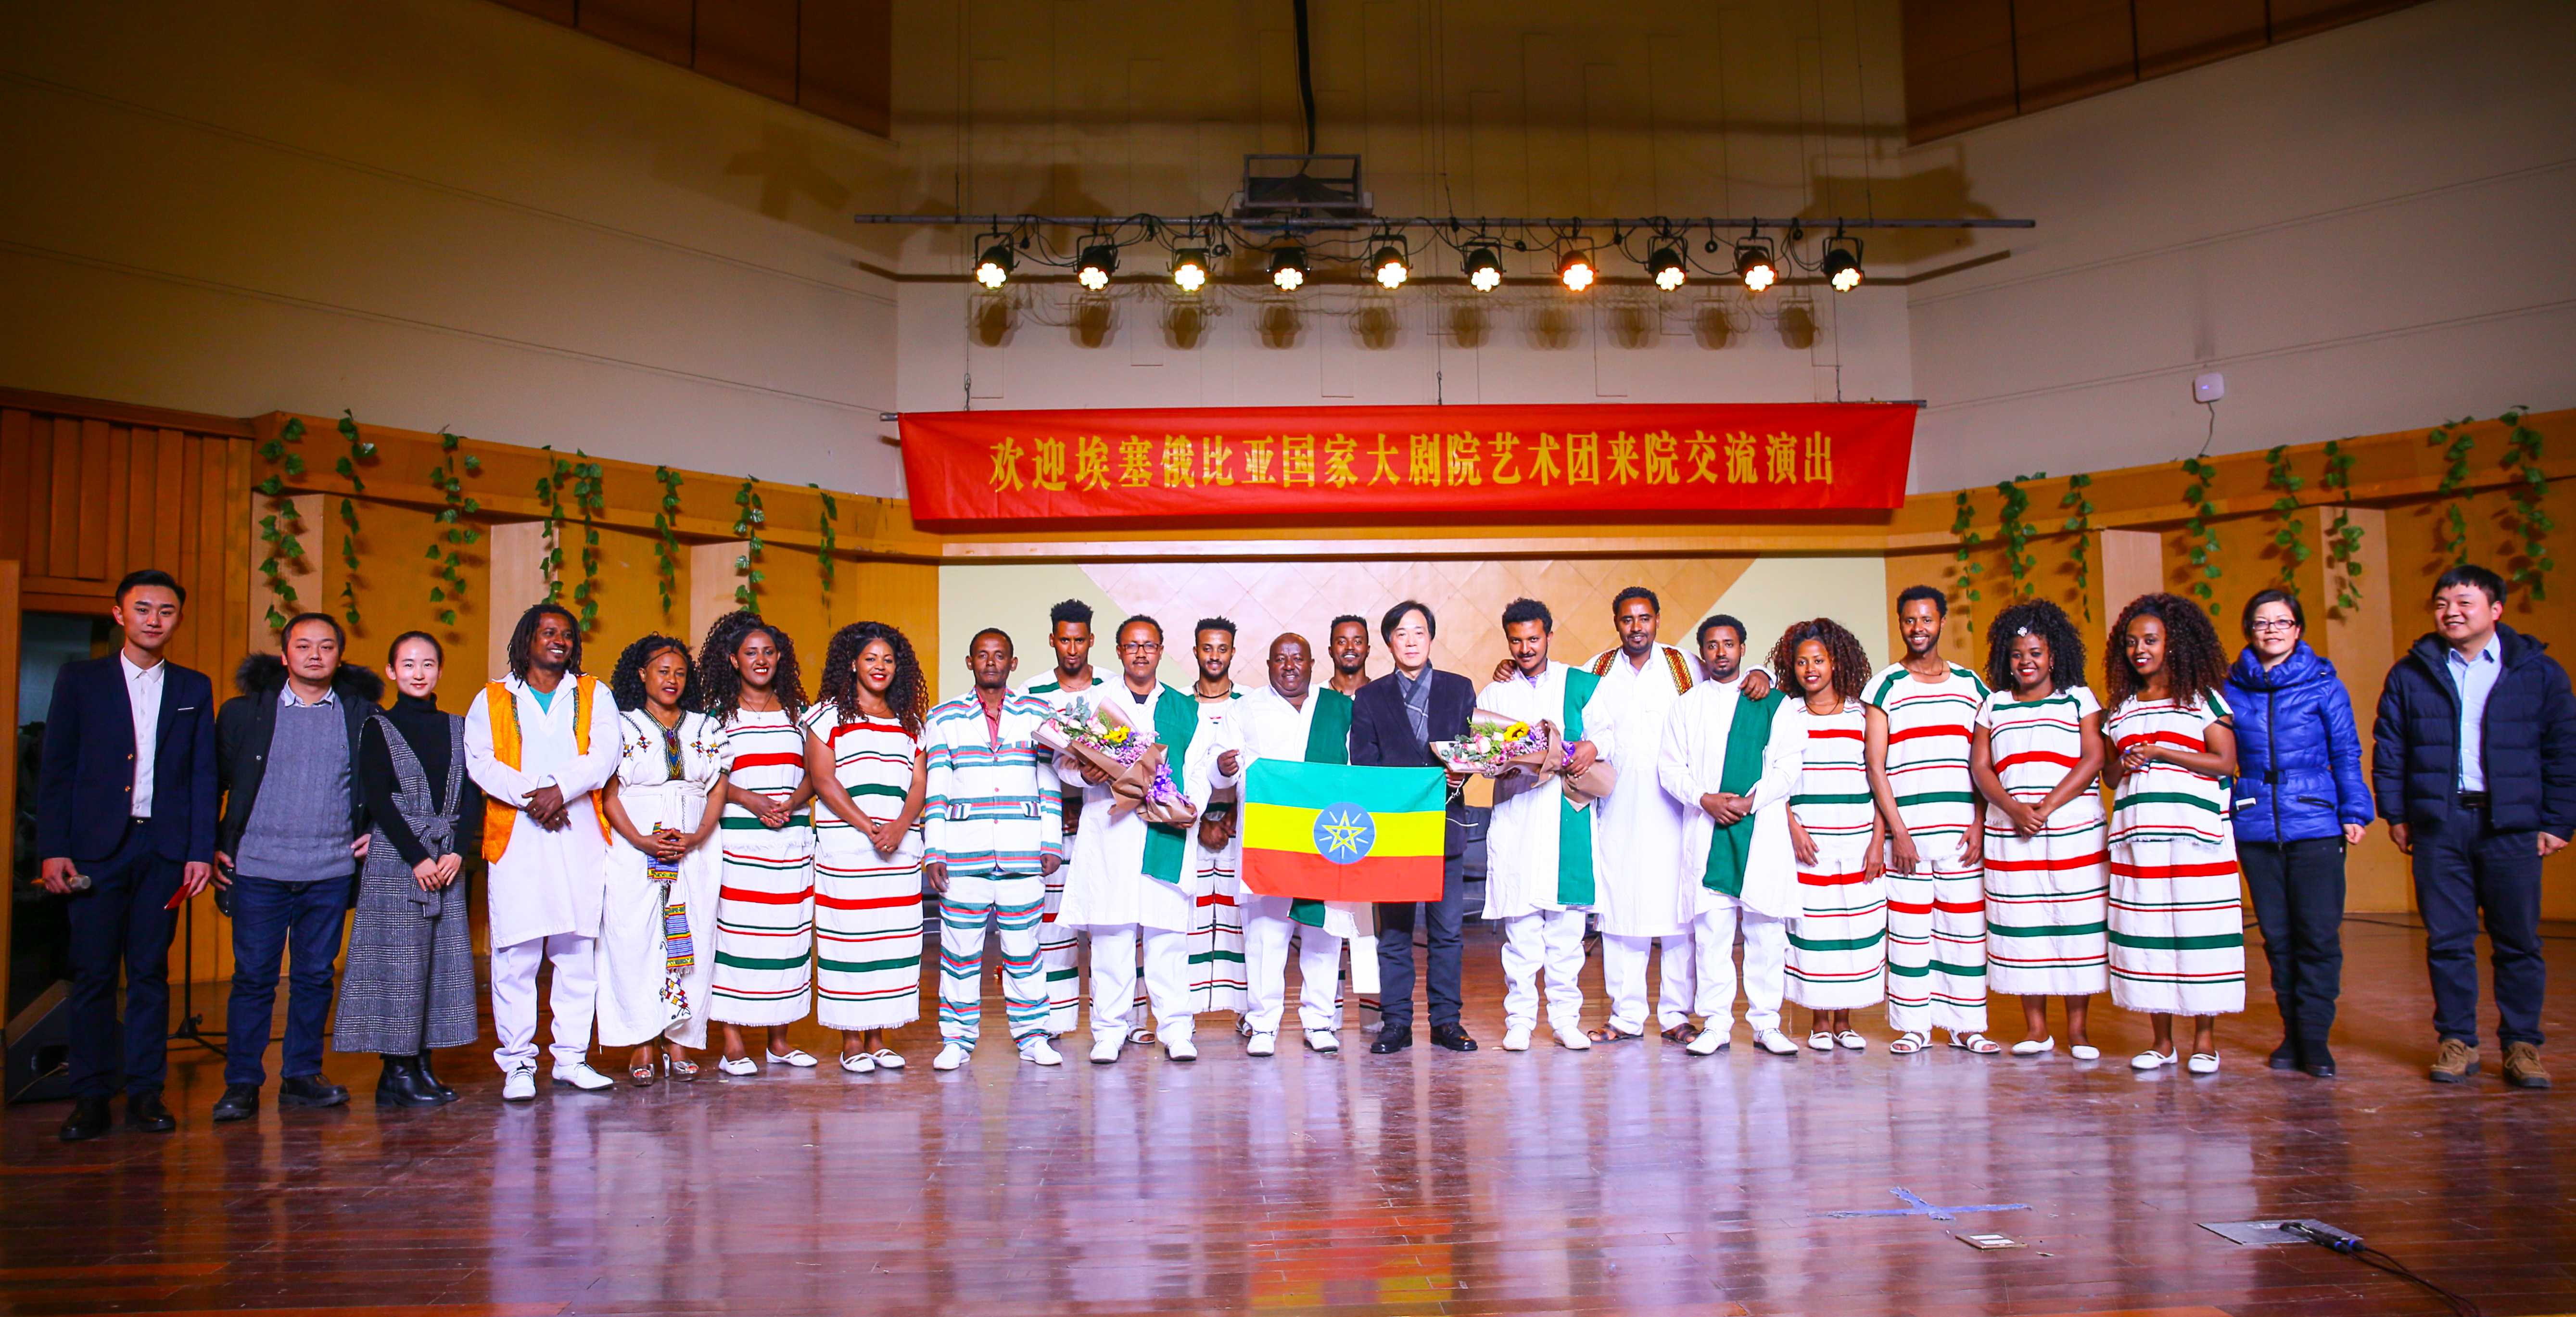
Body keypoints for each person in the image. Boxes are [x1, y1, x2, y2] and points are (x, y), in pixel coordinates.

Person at [2373, 564, 2575, 1090]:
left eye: (2464, 602)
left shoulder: (2539, 672)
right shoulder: (2410, 672)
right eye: (2442, 603)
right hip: (2439, 824)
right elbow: (2390, 749)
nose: (2451, 612)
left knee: (2518, 941)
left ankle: (2522, 1044)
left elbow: (2563, 751)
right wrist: (2396, 814)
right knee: (2447, 940)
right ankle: (2457, 1039)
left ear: (2495, 609)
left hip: (2512, 826)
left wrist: (2558, 821)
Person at [37, 569, 217, 1142]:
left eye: (166, 610)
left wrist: (199, 849)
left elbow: (203, 774)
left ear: (178, 618)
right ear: (119, 614)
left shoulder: (194, 687)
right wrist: (53, 848)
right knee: (92, 973)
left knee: (149, 973)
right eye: (142, 608)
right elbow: (57, 768)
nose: (154, 620)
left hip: (163, 850)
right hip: (94, 850)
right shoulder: (81, 679)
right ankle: (90, 1095)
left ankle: (145, 1091)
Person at [211, 612, 381, 1121]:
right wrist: (213, 845)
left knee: (314, 977)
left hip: (329, 868)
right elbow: (214, 782)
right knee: (253, 978)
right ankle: (242, 1083)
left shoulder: (363, 716)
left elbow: (384, 784)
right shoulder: (243, 713)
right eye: (303, 645)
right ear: (284, 655)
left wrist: (375, 829)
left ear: (339, 657)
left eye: (326, 646)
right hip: (258, 867)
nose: (314, 654)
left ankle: (301, 1076)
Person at [466, 602, 624, 1099]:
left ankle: (571, 1059)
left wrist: (559, 789)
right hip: (518, 836)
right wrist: (537, 796)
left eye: (567, 634)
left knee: (576, 952)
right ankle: (518, 1063)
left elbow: (605, 754)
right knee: (516, 954)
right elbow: (481, 762)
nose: (559, 641)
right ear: (526, 639)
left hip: (578, 833)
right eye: (548, 632)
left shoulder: (594, 693)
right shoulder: (493, 698)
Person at [1055, 615, 1224, 1063]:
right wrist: (1084, 773)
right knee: (1111, 935)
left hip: (1164, 832)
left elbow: (1201, 767)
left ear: (1161, 650)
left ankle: (1176, 1030)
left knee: (1167, 937)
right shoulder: (1094, 703)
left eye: (1149, 645)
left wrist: (1189, 801)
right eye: (1132, 646)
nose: (1141, 653)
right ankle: (1109, 1031)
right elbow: (1063, 763)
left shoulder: (1185, 709)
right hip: (1110, 833)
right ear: (1118, 652)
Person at [2227, 588, 2373, 1079]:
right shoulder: (2230, 688)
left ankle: (2314, 1039)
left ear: (2298, 630)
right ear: (2249, 630)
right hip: (2255, 823)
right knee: (2278, 936)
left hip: (2315, 822)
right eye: (2261, 622)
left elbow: (2346, 752)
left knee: (2317, 935)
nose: (2271, 630)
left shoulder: (2324, 685)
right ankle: (2292, 1033)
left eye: (2281, 622)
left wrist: (2355, 809)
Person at [333, 632, 484, 1106]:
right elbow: (378, 798)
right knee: (399, 963)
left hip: (447, 858)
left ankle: (421, 1064)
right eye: (409, 664)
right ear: (392, 671)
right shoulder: (378, 727)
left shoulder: (460, 727)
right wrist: (418, 857)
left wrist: (457, 851)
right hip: (399, 858)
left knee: (438, 963)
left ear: (440, 670)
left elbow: (473, 794)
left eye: (428, 664)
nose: (419, 673)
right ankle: (395, 1071)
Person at [2103, 593, 2244, 1074]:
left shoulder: (2201, 699)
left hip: (2196, 838)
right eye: (2131, 642)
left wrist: (2162, 751)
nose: (2139, 650)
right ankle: (2161, 1042)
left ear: (2174, 643)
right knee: (2150, 937)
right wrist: (2126, 762)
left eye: (2150, 640)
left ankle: (2204, 1040)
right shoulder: (2122, 707)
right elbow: (2111, 776)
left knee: (2198, 934)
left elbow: (2225, 762)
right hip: (2139, 838)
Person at [1968, 600, 2108, 1061]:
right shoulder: (1994, 704)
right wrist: (2012, 808)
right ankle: (2036, 1030)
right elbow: (1981, 767)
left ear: (2053, 655)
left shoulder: (2078, 698)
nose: (2025, 662)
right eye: (2016, 654)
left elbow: (2093, 757)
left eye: (2035, 653)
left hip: (2072, 832)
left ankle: (2079, 1032)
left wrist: (2045, 807)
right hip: (2011, 835)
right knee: (2023, 926)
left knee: (2074, 926)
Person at [921, 628, 1067, 1070]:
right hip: (962, 856)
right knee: (959, 954)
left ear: (1012, 663)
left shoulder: (1038, 715)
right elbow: (936, 789)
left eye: (999, 655)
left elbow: (1049, 782)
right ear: (969, 663)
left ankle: (1033, 1037)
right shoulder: (944, 717)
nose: (991, 662)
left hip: (1024, 853)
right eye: (982, 655)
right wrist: (934, 850)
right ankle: (956, 1040)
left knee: (1025, 953)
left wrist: (1051, 842)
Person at [1655, 614, 1798, 1058]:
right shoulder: (1686, 706)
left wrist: (1750, 802)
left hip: (1760, 830)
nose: (1721, 653)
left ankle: (1766, 1024)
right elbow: (1670, 769)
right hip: (1707, 829)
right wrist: (1704, 800)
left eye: (1729, 644)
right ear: (1702, 653)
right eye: (1712, 645)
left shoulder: (1773, 703)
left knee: (1765, 935)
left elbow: (1789, 766)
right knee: (1712, 936)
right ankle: (1716, 1024)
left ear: (1742, 648)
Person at [1864, 586, 1997, 1055]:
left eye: (1926, 619)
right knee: (1909, 933)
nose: (1917, 628)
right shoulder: (1884, 686)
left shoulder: (1971, 685)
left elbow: (1985, 760)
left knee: (1965, 931)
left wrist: (1979, 822)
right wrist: (1898, 832)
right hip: (1908, 835)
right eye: (1909, 620)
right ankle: (1913, 1026)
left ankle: (1966, 1025)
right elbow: (1875, 765)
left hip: (1961, 832)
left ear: (1941, 621)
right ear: (1900, 623)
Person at [594, 634, 727, 1085]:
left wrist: (698, 836)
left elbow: (718, 789)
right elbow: (609, 794)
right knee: (633, 937)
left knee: (693, 936)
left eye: (680, 673)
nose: (672, 679)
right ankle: (643, 1040)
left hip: (696, 845)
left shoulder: (706, 727)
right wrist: (638, 840)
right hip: (634, 844)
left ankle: (680, 1040)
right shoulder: (620, 725)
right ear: (642, 674)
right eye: (662, 671)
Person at [1475, 598, 1603, 1052]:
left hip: (1566, 817)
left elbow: (1609, 735)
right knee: (1522, 935)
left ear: (1549, 635)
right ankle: (1520, 1021)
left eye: (1533, 639)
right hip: (1518, 819)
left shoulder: (1580, 684)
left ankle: (1566, 1020)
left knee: (1567, 934)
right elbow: (1483, 756)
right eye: (1516, 641)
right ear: (1507, 641)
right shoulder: (1495, 693)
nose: (1525, 648)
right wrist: (1497, 761)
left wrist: (1591, 746)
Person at [1574, 587, 1702, 1044]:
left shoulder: (1685, 665)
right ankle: (1625, 1017)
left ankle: (1675, 1015)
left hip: (1677, 810)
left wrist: (1761, 674)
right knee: (1620, 913)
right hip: (1618, 810)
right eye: (1627, 619)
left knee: (1679, 917)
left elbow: (1729, 684)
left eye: (1644, 618)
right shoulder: (1595, 669)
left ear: (1657, 620)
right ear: (1616, 623)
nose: (1636, 628)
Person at [1349, 600, 1477, 1054]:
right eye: (1401, 634)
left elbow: (1472, 749)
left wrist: (1462, 772)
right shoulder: (1370, 697)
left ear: (1431, 638)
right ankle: (1396, 1023)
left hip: (1445, 826)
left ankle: (1446, 1022)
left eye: (1419, 632)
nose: (1410, 642)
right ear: (1389, 643)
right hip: (1395, 833)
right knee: (1394, 935)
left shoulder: (1458, 689)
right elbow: (1364, 764)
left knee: (1448, 933)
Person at [804, 621, 931, 1073]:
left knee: (893, 942)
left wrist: (899, 827)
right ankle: (851, 1041)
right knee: (849, 942)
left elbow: (918, 784)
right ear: (853, 664)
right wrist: (870, 828)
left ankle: (879, 1038)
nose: (880, 667)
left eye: (888, 660)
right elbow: (823, 780)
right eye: (871, 659)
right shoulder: (826, 716)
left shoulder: (910, 722)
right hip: (848, 850)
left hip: (899, 850)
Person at [698, 610, 820, 1075]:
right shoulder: (715, 716)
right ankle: (732, 1043)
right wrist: (752, 801)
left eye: (769, 652)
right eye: (751, 653)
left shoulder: (799, 714)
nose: (761, 660)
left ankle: (779, 1042)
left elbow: (817, 772)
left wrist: (790, 803)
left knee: (786, 938)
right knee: (736, 938)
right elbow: (708, 776)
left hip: (790, 840)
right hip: (739, 841)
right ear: (733, 660)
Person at [1231, 633, 1359, 1056]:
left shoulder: (1339, 708)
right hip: (1270, 840)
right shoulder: (1245, 708)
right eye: (1280, 659)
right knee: (1266, 936)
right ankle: (1262, 1024)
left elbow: (1357, 768)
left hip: (1327, 837)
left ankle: (1319, 1021)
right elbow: (1220, 767)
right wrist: (1222, 768)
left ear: (1311, 663)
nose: (1289, 666)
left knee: (1323, 931)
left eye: (1297, 658)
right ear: (1268, 664)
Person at [1768, 618, 1887, 1051]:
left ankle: (1844, 1021)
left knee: (1854, 927)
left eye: (1818, 660)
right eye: (1802, 662)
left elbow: (1879, 778)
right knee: (1813, 932)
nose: (1810, 670)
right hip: (1809, 842)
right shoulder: (1787, 714)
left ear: (1835, 662)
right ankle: (1818, 1022)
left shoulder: (1862, 714)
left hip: (1857, 839)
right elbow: (1773, 776)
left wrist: (1877, 841)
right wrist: (1792, 828)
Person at [1022, 598, 1099, 1038]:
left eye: (1080, 641)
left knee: (1112, 922)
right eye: (1064, 641)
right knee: (1052, 924)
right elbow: (1028, 761)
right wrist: (1060, 803)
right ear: (1052, 640)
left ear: (1091, 640)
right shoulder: (1031, 692)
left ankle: (1124, 1021)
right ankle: (1054, 1020)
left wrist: (1086, 797)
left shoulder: (1110, 686)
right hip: (1055, 823)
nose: (1072, 649)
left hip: (1104, 816)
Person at [1181, 617, 1248, 1020]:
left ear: (1233, 653)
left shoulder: (1249, 703)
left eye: (1222, 649)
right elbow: (1171, 771)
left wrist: (1234, 815)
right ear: (1195, 651)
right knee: (1189, 920)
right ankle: (1183, 1015)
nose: (1214, 656)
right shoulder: (1178, 705)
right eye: (1207, 648)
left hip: (1239, 825)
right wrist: (1200, 821)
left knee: (1239, 919)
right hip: (1189, 824)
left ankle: (1246, 1014)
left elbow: (1261, 767)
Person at [1326, 614, 1373, 697]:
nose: (1350, 647)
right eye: (1342, 642)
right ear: (1331, 651)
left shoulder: (1382, 694)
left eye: (1358, 642)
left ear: (1368, 650)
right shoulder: (1316, 697)